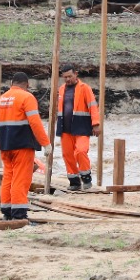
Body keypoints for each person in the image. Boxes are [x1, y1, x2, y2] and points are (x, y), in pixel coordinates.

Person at [0, 71, 49, 221]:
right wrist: (46, 143)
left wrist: (3, 142)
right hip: (22, 145)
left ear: (12, 83)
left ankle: (7, 211)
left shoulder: (1, 99)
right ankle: (19, 214)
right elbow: (35, 122)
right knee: (21, 178)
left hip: (6, 145)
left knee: (8, 177)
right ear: (27, 85)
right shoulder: (27, 97)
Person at [54, 64, 101, 192]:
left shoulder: (84, 88)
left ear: (76, 74)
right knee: (67, 155)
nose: (68, 79)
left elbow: (93, 106)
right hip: (65, 128)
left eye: (70, 76)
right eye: (65, 77)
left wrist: (96, 124)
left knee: (80, 151)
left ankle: (86, 178)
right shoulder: (62, 89)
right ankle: (74, 181)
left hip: (81, 126)